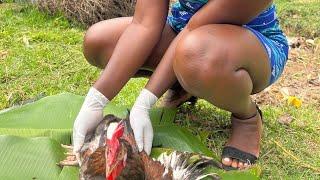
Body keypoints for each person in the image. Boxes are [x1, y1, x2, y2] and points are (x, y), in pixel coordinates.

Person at [72, 0, 288, 170]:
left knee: (197, 55)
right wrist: (96, 100)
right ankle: (187, 82)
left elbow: (195, 28)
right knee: (100, 41)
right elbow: (144, 23)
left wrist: (145, 101)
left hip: (252, 45)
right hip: (186, 35)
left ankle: (247, 117)